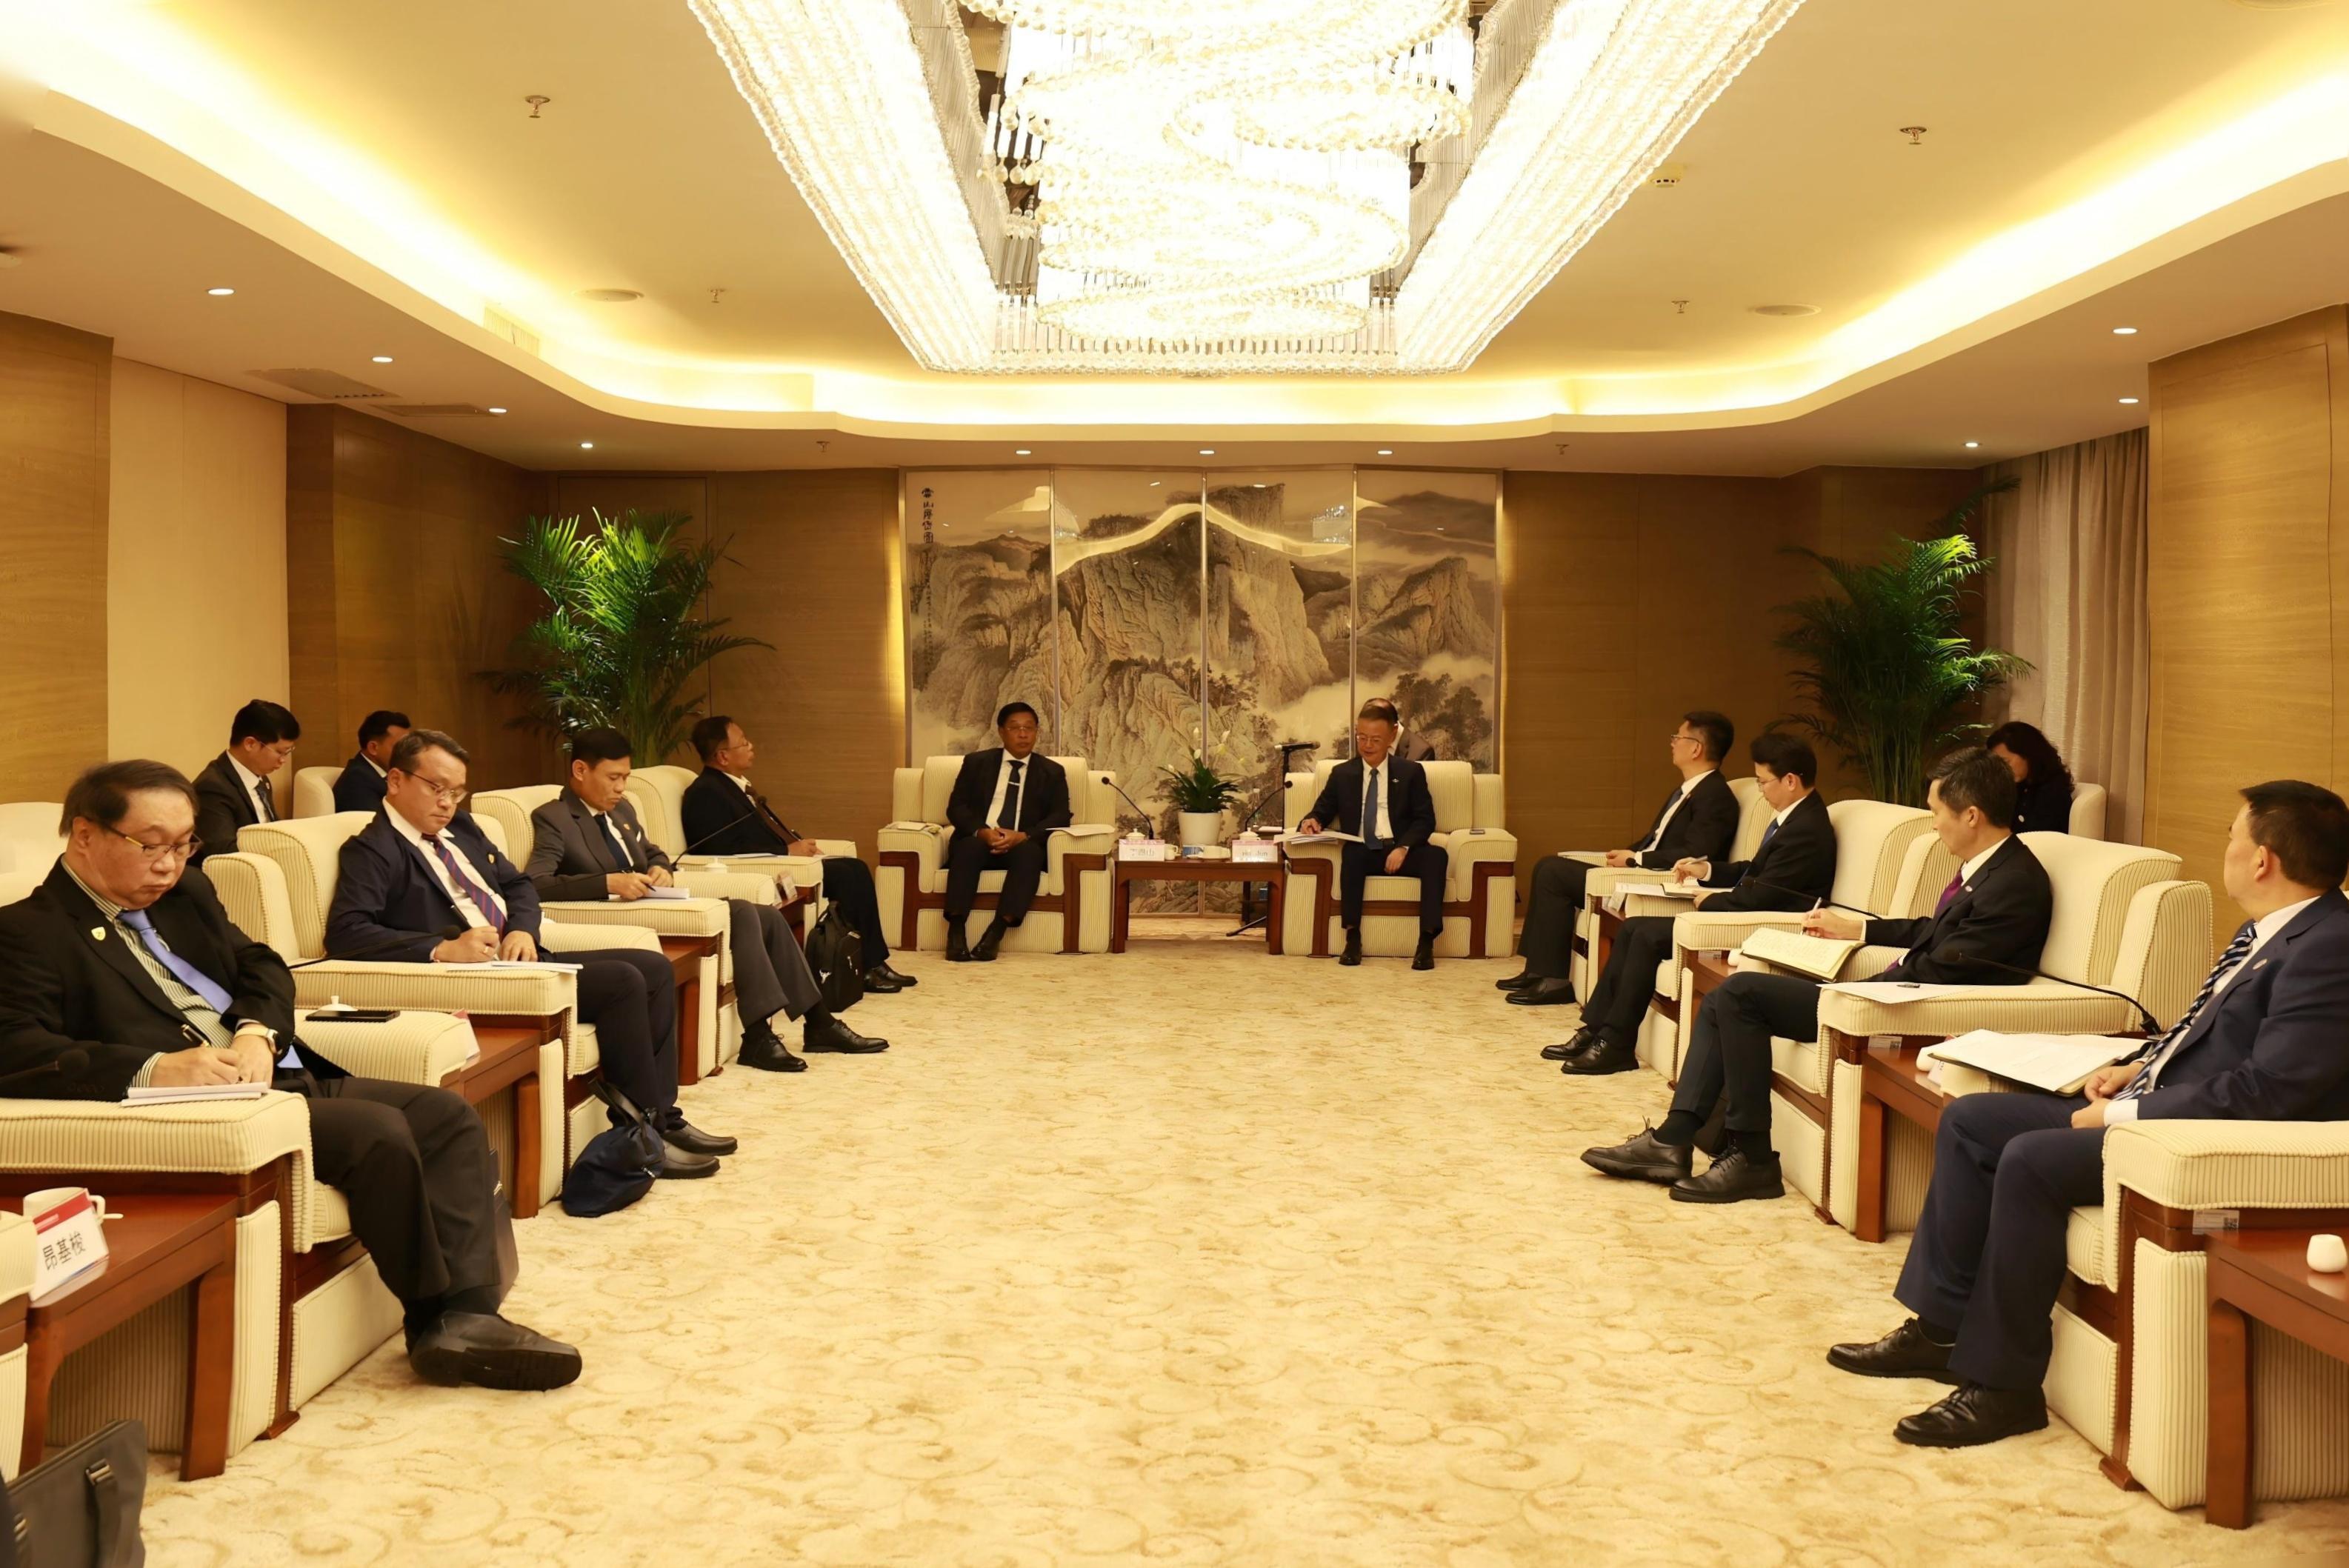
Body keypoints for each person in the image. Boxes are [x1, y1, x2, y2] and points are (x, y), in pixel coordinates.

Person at [0, 760, 581, 1391]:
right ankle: (432, 1315)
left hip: (276, 1069)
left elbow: (263, 966)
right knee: (377, 1132)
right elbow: (16, 1048)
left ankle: (467, 1315)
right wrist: (155, 1067)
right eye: (152, 845)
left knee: (445, 1114)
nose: (169, 864)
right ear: (85, 834)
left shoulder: (186, 893)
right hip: (202, 1104)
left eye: (184, 844)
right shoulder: (25, 932)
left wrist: (258, 1030)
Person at [1829, 780, 2349, 1448]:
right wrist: (2136, 1065)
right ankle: (1938, 1330)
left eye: (2232, 835)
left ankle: (2004, 1387)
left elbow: (2271, 1090)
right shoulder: (2267, 929)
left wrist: (2122, 1114)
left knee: (2029, 1158)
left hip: (2202, 1137)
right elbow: (2208, 1035)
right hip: (2159, 1101)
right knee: (1971, 1120)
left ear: (2261, 859)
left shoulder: (2328, 948)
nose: (2225, 845)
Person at [1582, 747, 2054, 1204]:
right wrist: (1859, 929)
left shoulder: (2014, 883)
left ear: (1970, 815)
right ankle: (1675, 1140)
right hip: (1886, 992)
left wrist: (1851, 988)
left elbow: (1949, 971)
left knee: (1743, 994)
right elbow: (1934, 934)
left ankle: (1751, 1158)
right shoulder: (1991, 868)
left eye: (1936, 812)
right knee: (1732, 995)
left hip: (1907, 1010)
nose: (1933, 825)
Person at [324, 728, 734, 1178]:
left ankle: (663, 1119)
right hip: (472, 976)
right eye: (436, 788)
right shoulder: (372, 848)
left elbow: (519, 885)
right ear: (396, 780)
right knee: (622, 981)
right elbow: (347, 932)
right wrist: (442, 948)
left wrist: (521, 928)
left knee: (653, 967)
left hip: (520, 956)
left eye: (456, 792)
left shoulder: (460, 828)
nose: (447, 803)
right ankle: (639, 1138)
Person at [526, 728, 887, 1073]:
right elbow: (537, 884)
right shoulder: (555, 818)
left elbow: (654, 853)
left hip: (654, 902)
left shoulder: (622, 811)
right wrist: (607, 882)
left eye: (626, 778)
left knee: (766, 915)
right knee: (741, 912)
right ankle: (759, 1036)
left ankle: (818, 1023)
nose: (621, 788)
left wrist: (660, 868)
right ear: (580, 770)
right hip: (611, 917)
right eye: (613, 778)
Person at [1548, 733, 1838, 1076]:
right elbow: (1756, 872)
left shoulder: (1807, 828)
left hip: (1768, 925)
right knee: (1635, 927)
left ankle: (1616, 1044)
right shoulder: (1793, 817)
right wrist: (1708, 870)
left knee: (1646, 935)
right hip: (1751, 910)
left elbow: (1765, 895)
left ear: (1790, 781)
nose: (1760, 790)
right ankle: (1597, 1029)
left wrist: (1712, 899)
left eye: (1763, 782)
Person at [1499, 711, 1741, 1007]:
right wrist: (1626, 853)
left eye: (1678, 737)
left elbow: (1697, 855)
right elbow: (1656, 839)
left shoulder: (1715, 796)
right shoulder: (1689, 791)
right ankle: (1538, 970)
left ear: (1695, 748)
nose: (1672, 743)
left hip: (1659, 882)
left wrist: (1636, 859)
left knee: (1553, 872)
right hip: (1640, 871)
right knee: (1547, 866)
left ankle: (1554, 980)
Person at [679, 715, 913, 993]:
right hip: (759, 872)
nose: (751, 746)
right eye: (743, 742)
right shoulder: (706, 793)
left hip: (780, 861)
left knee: (855, 867)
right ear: (723, 756)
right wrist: (786, 851)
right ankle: (866, 968)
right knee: (849, 875)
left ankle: (873, 963)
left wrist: (798, 845)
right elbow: (719, 849)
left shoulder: (732, 786)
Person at [1296, 698, 1447, 970]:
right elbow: (1321, 811)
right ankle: (1352, 939)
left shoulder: (1411, 772)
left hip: (1401, 849)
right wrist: (1311, 821)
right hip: (1364, 849)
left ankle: (1426, 943)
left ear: (1391, 737)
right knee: (1352, 855)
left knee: (1436, 857)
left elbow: (1425, 820)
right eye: (1362, 737)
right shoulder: (1342, 774)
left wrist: (1403, 848)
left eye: (1375, 740)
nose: (1367, 745)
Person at [942, 701, 1073, 962]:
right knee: (968, 847)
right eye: (1015, 728)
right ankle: (956, 933)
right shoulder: (976, 763)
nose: (1023, 734)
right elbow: (956, 807)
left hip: (1021, 843)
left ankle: (995, 934)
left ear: (1037, 732)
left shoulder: (1052, 772)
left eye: (1029, 728)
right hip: (981, 840)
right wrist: (981, 832)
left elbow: (1061, 815)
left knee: (1031, 854)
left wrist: (1023, 835)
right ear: (1001, 732)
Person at [191, 698, 299, 861]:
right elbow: (223, 852)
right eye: (280, 752)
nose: (283, 760)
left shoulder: (261, 780)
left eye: (287, 753)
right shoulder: (212, 787)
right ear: (250, 744)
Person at [1985, 720, 2076, 837]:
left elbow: (2034, 838)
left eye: (2006, 762)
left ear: (2029, 755)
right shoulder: (2019, 787)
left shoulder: (2053, 792)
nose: (2001, 769)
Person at [333, 710, 412, 813]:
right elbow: (377, 822)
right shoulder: (357, 780)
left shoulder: (390, 773)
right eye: (400, 747)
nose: (407, 753)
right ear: (373, 748)